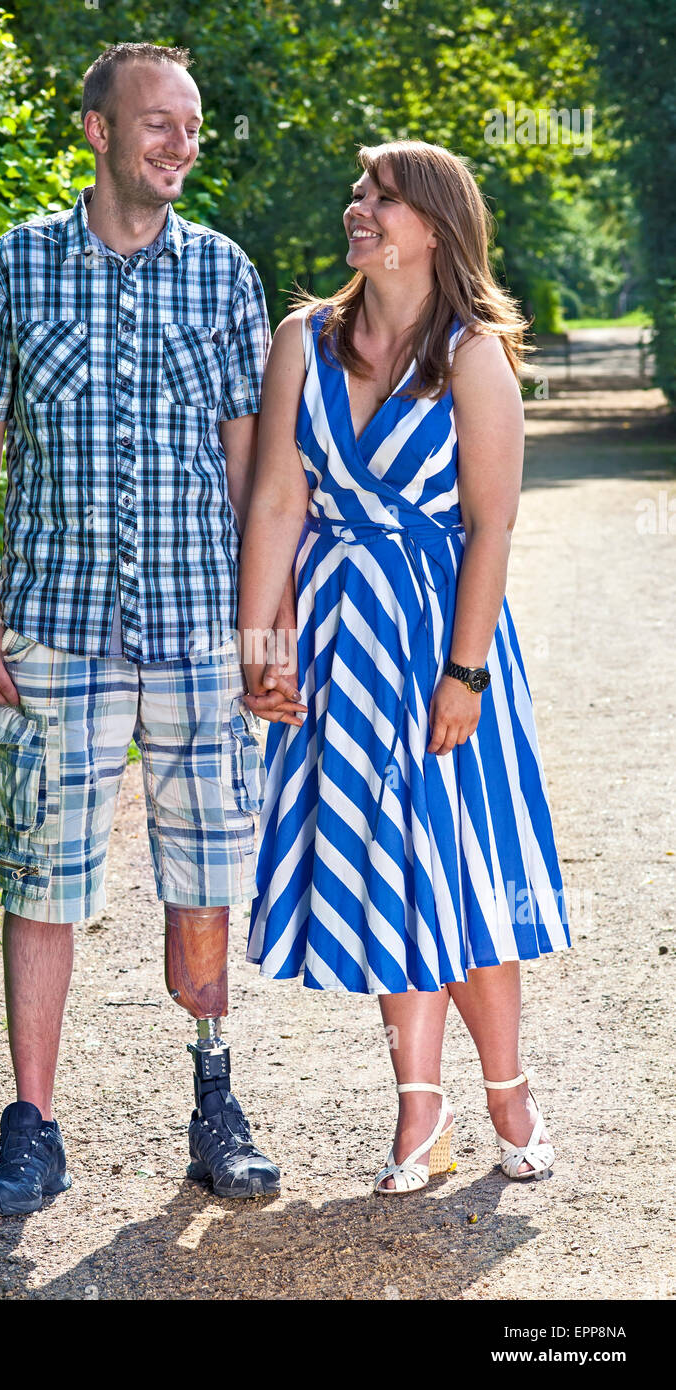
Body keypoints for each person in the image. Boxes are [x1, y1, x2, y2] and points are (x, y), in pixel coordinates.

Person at [0, 42, 303, 1214]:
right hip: (55, 627)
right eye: (156, 124)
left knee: (202, 873)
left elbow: (257, 466)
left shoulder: (224, 275)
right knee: (40, 875)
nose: (179, 145)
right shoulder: (21, 265)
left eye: (190, 127)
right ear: (95, 130)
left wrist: (264, 627)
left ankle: (212, 1098)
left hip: (197, 628)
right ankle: (31, 1128)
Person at [238, 140, 571, 1194]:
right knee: (390, 873)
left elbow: (490, 525)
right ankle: (414, 1113)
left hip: (436, 637)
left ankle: (507, 1091)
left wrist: (463, 674)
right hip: (339, 633)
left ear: (431, 226)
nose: (358, 209)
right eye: (356, 193)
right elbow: (278, 501)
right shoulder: (302, 338)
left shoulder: (473, 355)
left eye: (379, 197)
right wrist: (261, 646)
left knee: (460, 868)